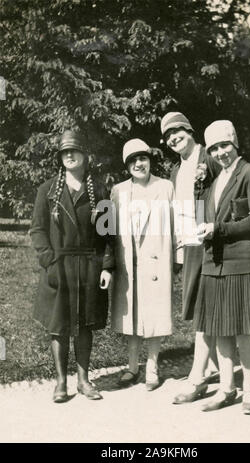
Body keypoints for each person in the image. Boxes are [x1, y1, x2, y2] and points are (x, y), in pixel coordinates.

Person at [30, 130, 114, 403]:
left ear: (84, 155)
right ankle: (60, 382)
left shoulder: (100, 191)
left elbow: (109, 234)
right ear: (60, 158)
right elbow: (38, 230)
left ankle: (83, 380)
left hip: (89, 266)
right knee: (59, 326)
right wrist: (48, 260)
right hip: (59, 266)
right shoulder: (48, 190)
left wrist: (106, 267)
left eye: (74, 151)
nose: (69, 156)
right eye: (64, 152)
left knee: (85, 324)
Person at [196, 120, 250, 414]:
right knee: (221, 328)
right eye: (213, 148)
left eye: (224, 145)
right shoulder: (214, 182)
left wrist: (218, 229)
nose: (220, 152)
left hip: (241, 261)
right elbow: (205, 214)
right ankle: (227, 388)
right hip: (214, 263)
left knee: (243, 329)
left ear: (235, 143)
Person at [160, 112, 221, 404]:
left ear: (189, 129)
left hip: (207, 242)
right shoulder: (176, 169)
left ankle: (198, 375)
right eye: (169, 135)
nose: (174, 138)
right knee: (201, 305)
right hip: (187, 244)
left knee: (204, 307)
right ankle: (214, 366)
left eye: (177, 131)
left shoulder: (207, 158)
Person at [110, 138, 176, 391]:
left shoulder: (165, 187)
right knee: (133, 316)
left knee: (155, 314)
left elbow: (176, 225)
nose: (139, 164)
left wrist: (177, 258)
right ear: (127, 166)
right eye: (133, 160)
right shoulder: (118, 191)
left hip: (156, 261)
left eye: (143, 158)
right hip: (129, 264)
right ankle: (132, 367)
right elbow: (110, 230)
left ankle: (152, 367)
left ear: (150, 161)